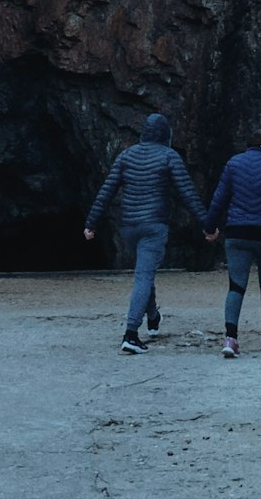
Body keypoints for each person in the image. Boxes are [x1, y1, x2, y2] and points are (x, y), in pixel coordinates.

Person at [84, 113, 217, 354]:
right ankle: (131, 334)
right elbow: (187, 193)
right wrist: (208, 225)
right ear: (166, 135)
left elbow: (107, 190)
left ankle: (153, 317)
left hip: (129, 227)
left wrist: (91, 223)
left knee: (145, 272)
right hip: (154, 225)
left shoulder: (126, 155)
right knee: (143, 277)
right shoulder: (169, 156)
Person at [206, 130, 261, 356]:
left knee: (236, 285)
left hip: (237, 233)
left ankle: (230, 339)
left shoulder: (234, 164)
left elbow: (219, 198)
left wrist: (209, 226)